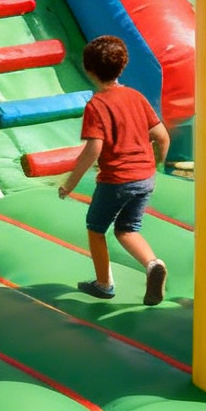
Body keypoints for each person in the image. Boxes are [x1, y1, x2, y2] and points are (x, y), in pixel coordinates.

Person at [53, 33, 171, 306]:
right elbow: (162, 136)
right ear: (123, 66)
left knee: (96, 228)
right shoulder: (136, 97)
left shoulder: (97, 105)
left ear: (88, 70)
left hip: (116, 179)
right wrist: (155, 164)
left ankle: (104, 284)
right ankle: (153, 264)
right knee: (127, 229)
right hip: (144, 178)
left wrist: (70, 183)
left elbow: (94, 149)